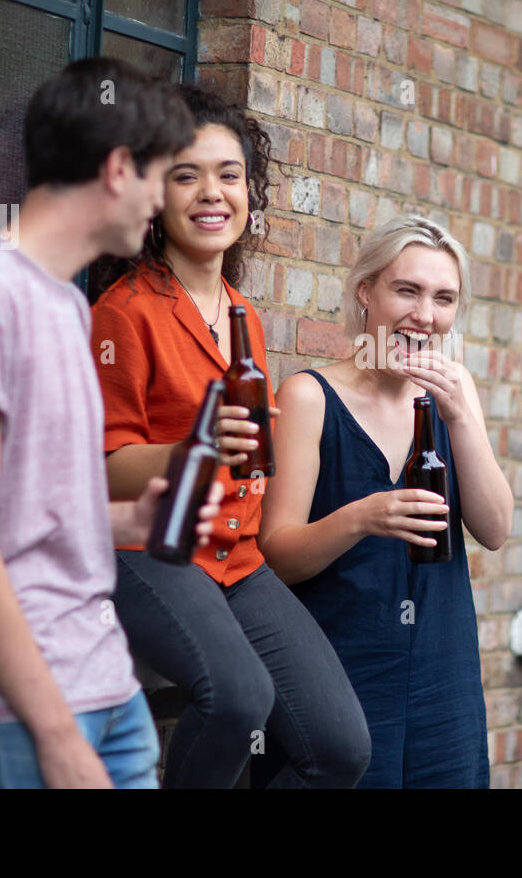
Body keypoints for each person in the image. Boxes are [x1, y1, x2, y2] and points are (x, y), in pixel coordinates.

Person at [0, 57, 224, 789]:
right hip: (20, 711)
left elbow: (32, 515)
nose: (162, 201)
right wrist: (54, 733)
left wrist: (133, 518)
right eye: (162, 174)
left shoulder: (65, 304)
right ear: (116, 169)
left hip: (108, 688)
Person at [90, 84, 371, 788]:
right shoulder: (123, 313)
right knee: (239, 698)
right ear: (156, 196)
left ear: (250, 193)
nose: (211, 193)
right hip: (149, 547)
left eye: (229, 175)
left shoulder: (242, 311)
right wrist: (200, 445)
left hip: (236, 558)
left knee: (339, 747)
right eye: (186, 175)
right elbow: (101, 469)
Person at [260, 215, 514, 788]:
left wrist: (461, 420)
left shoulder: (455, 392)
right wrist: (362, 517)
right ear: (365, 293)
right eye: (408, 290)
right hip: (339, 672)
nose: (426, 315)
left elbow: (496, 528)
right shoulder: (309, 395)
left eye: (444, 298)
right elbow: (277, 554)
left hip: (441, 673)